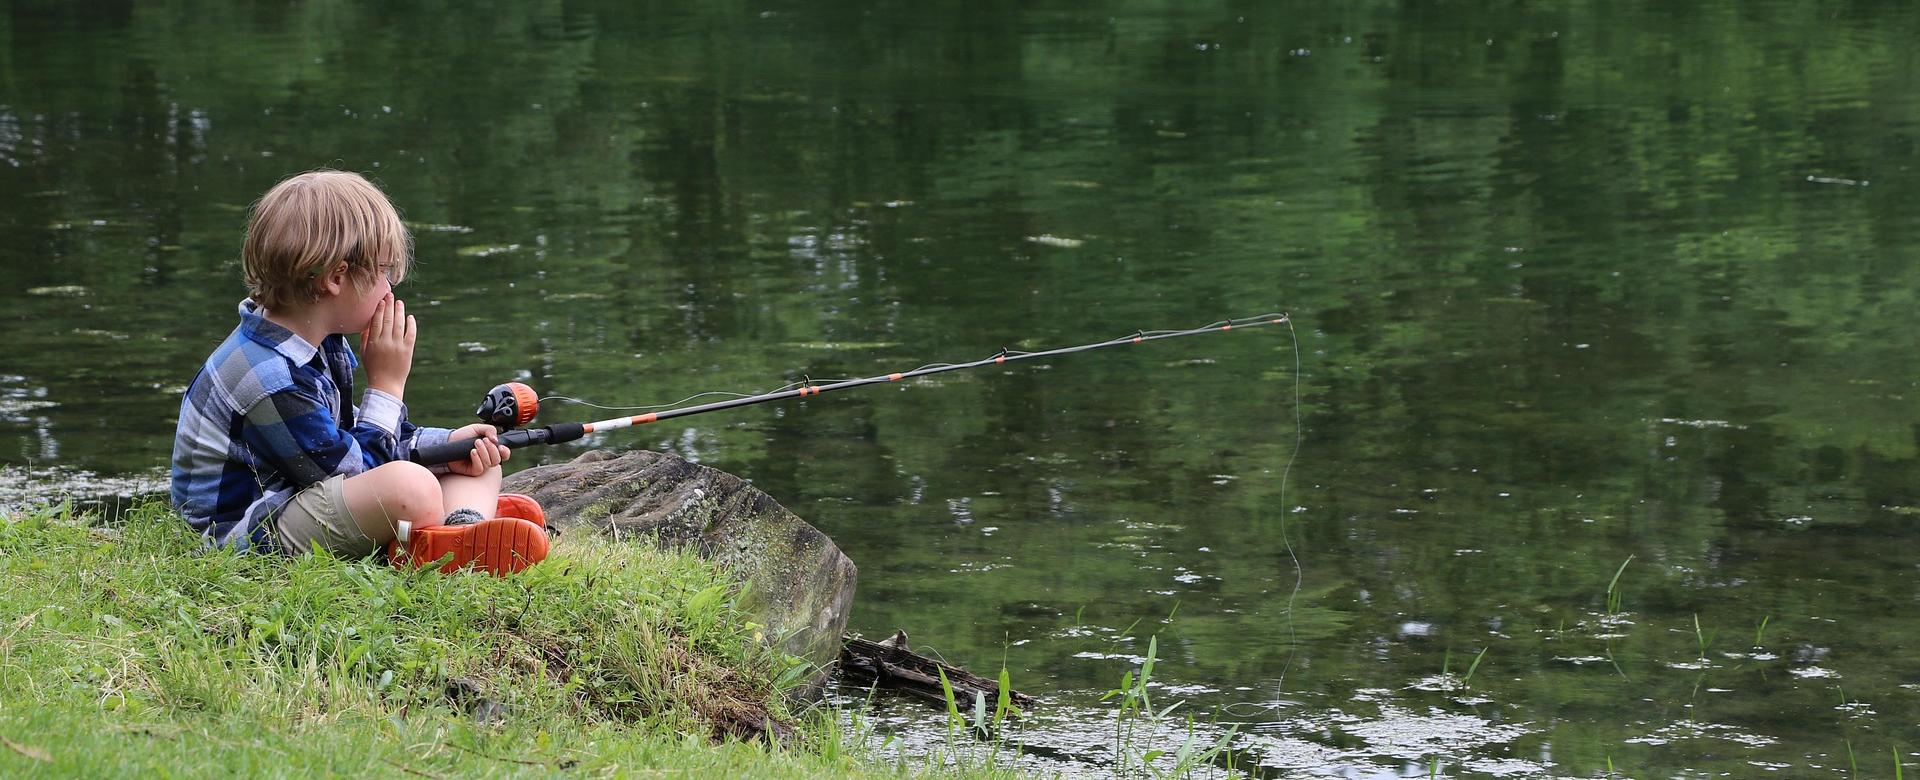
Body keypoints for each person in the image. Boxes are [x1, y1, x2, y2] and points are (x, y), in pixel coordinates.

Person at [169, 169, 548, 574]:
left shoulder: (319, 342)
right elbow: (352, 471)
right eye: (384, 271)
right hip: (246, 533)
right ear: (336, 277)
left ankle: (459, 529)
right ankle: (453, 530)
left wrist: (448, 445)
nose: (390, 289)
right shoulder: (268, 376)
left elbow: (354, 441)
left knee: (477, 455)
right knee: (410, 486)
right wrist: (387, 385)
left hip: (309, 490)